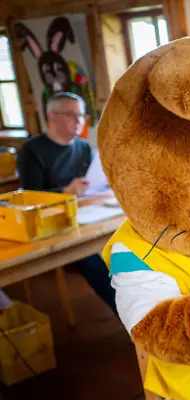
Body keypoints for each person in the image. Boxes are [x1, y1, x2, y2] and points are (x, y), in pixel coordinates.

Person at [16, 92, 117, 315]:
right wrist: (65, 191)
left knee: (123, 250)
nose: (79, 121)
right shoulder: (31, 150)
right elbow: (29, 197)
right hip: (53, 223)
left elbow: (93, 185)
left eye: (82, 115)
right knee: (93, 264)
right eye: (72, 114)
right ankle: (131, 319)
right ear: (52, 116)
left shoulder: (83, 147)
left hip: (89, 215)